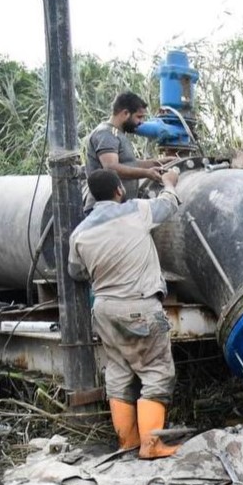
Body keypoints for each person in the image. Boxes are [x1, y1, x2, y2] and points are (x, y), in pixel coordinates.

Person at [68, 167, 182, 459]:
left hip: (105, 309)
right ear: (119, 190)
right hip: (140, 306)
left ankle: (128, 442)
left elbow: (76, 272)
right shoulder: (136, 210)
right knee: (156, 371)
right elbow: (168, 205)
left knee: (118, 371)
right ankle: (151, 446)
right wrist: (169, 182)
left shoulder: (80, 232)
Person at [83, 92, 173, 213]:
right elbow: (111, 168)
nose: (141, 122)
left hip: (118, 208)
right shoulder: (106, 133)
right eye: (139, 117)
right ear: (125, 113)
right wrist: (147, 173)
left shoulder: (117, 134)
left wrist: (157, 163)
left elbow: (128, 163)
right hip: (105, 211)